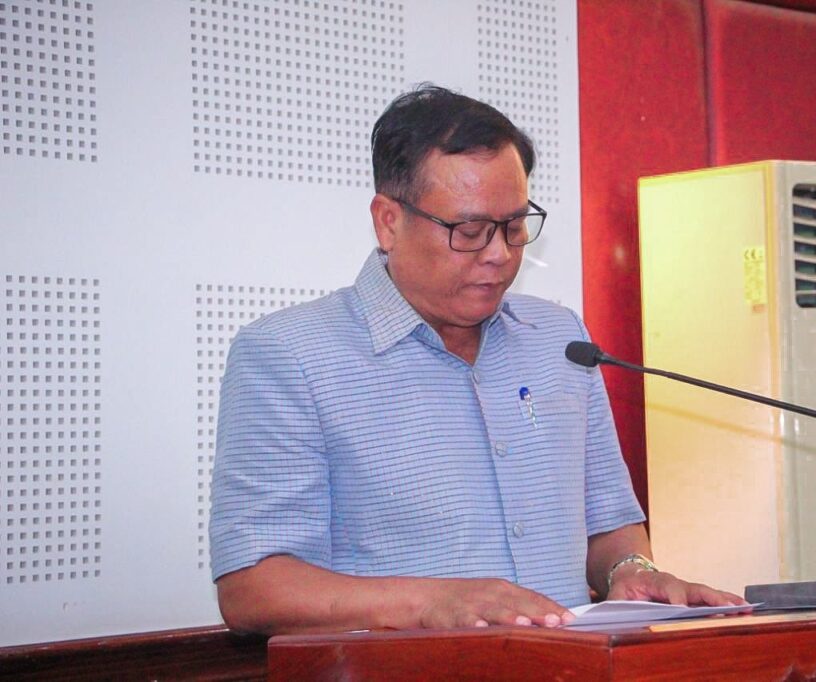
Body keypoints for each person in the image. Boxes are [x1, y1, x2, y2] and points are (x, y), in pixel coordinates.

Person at [209, 85, 744, 635]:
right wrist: (431, 603)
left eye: (514, 227)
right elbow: (253, 590)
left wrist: (631, 570)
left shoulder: (560, 339)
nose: (500, 254)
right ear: (388, 221)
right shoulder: (288, 356)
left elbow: (609, 524)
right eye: (469, 231)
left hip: (570, 668)